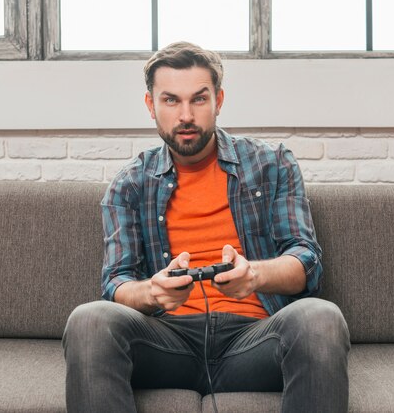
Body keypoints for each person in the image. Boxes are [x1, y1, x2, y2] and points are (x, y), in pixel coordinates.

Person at [62, 41, 350, 413]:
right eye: (170, 101)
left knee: (320, 317)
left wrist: (255, 276)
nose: (186, 115)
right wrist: (153, 292)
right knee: (89, 320)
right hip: (168, 343)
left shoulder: (272, 163)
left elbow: (306, 262)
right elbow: (115, 283)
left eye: (199, 99)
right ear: (151, 105)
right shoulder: (130, 183)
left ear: (219, 100)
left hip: (254, 342)